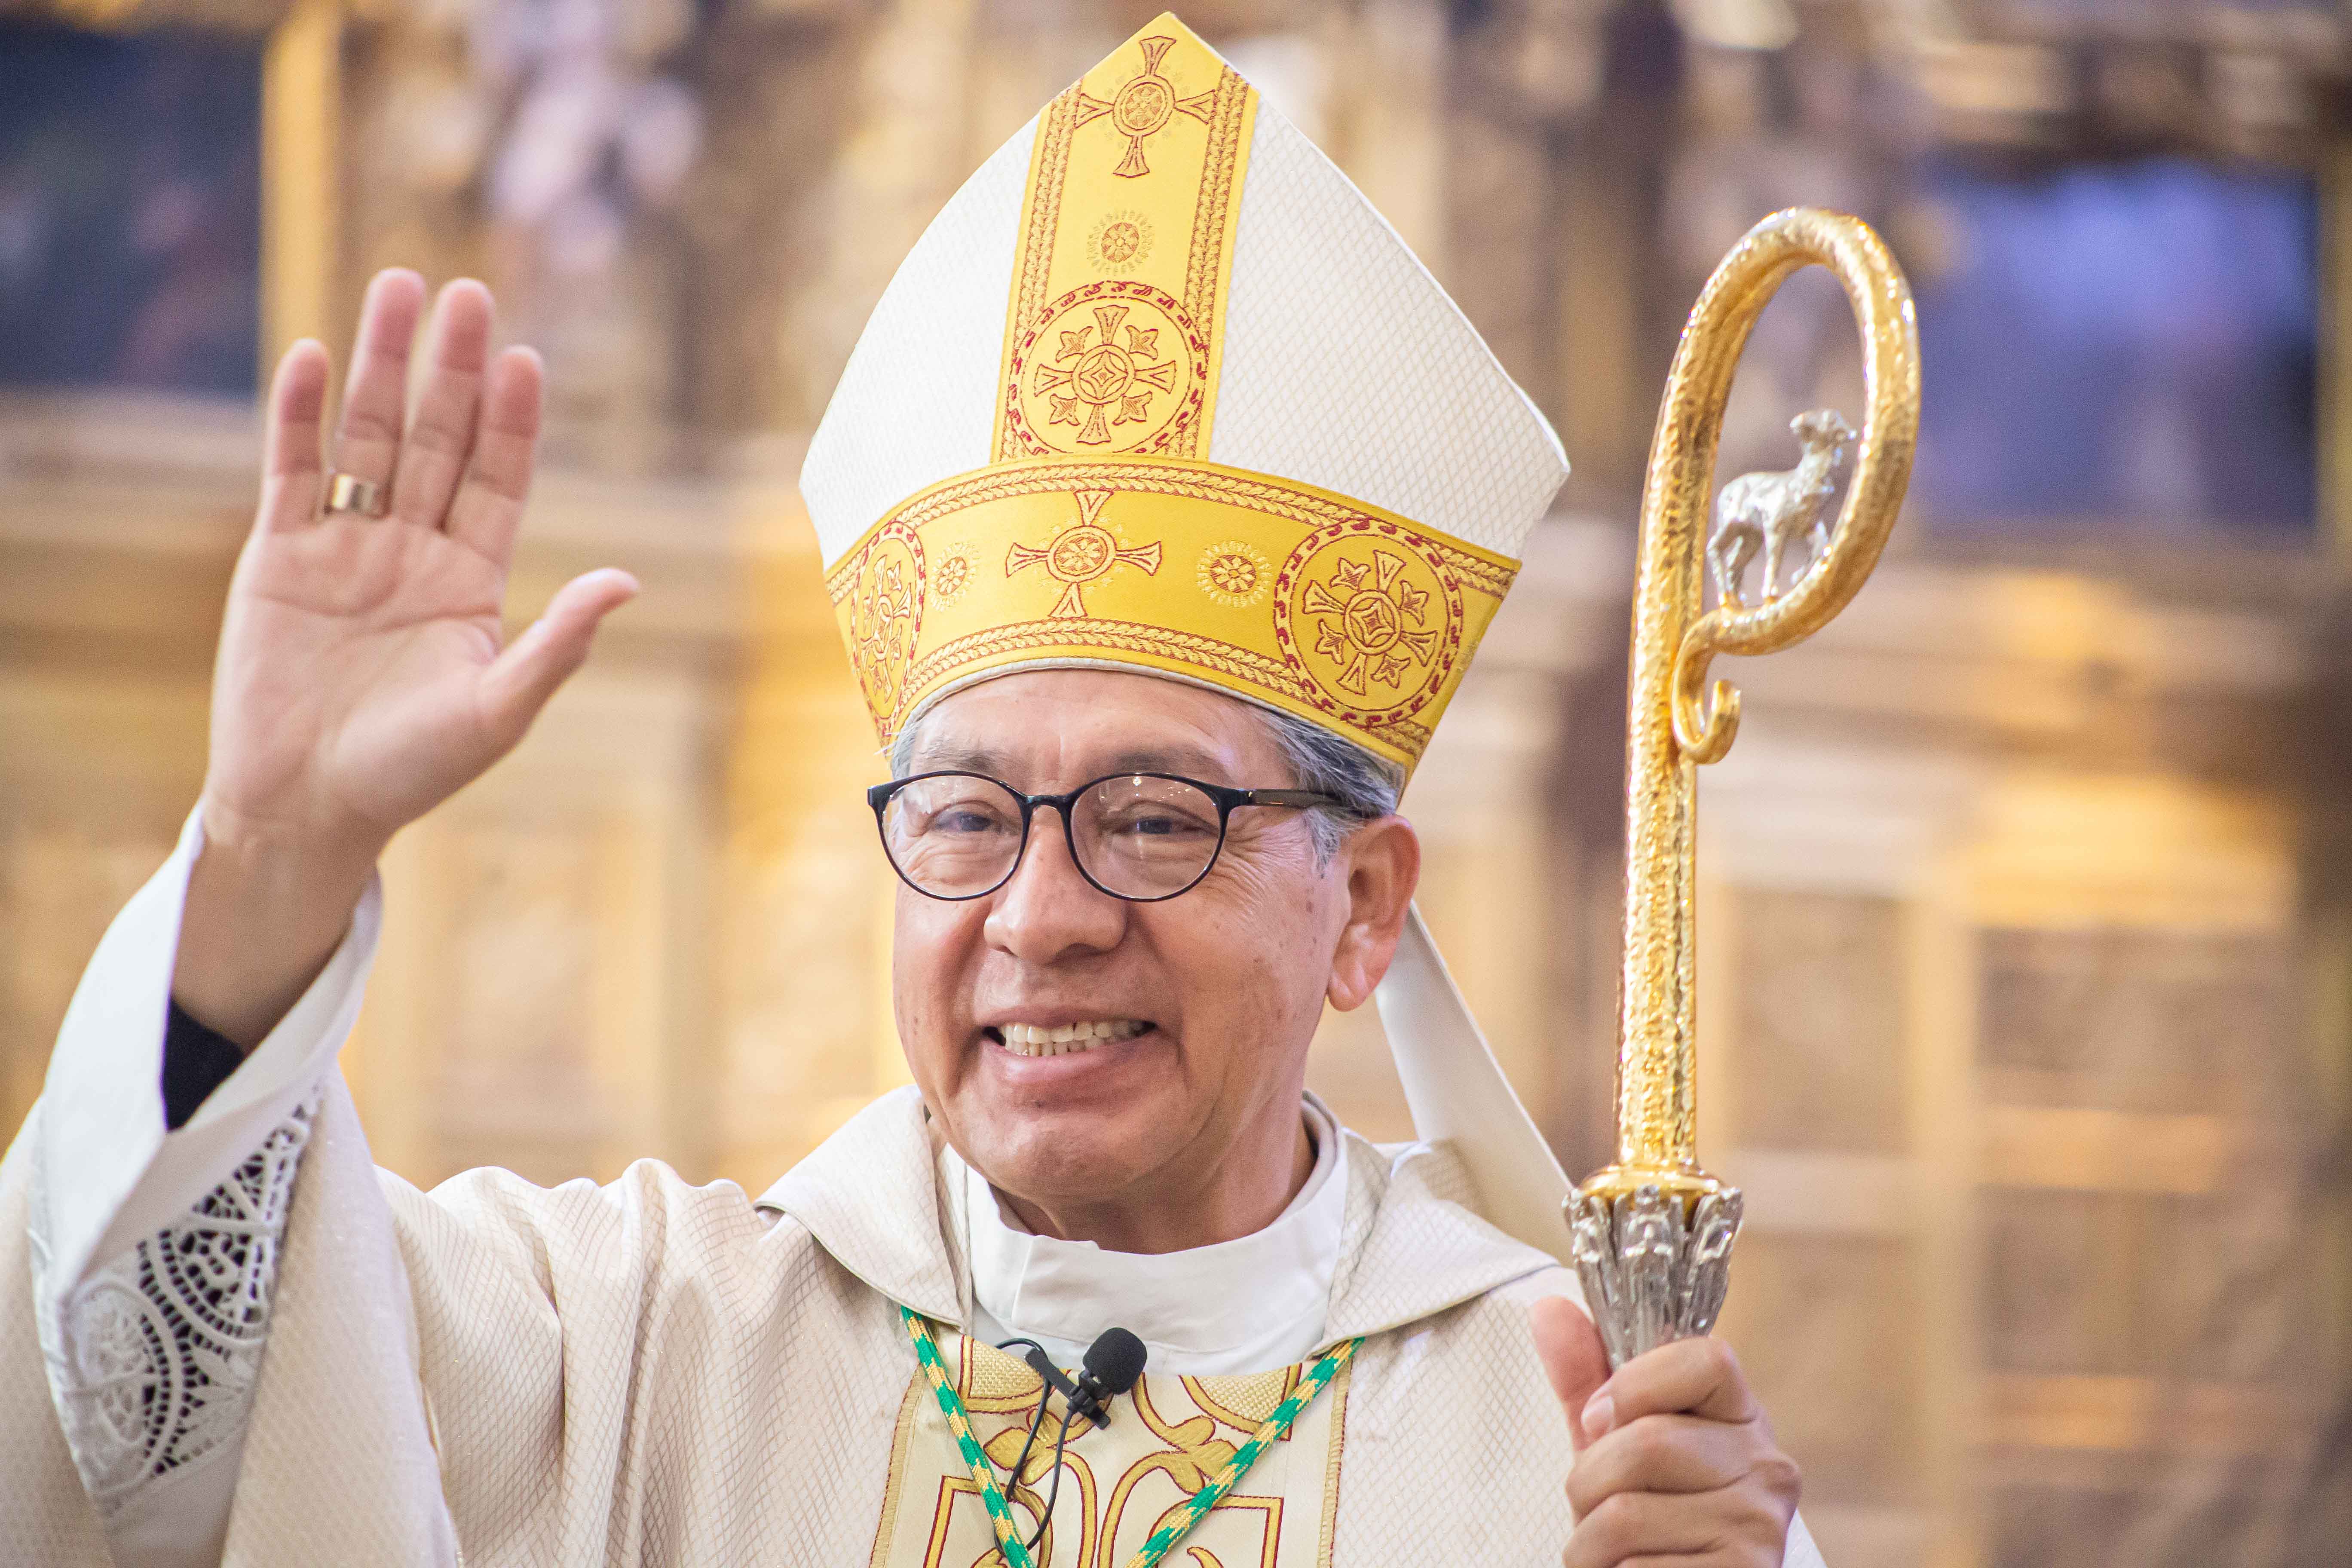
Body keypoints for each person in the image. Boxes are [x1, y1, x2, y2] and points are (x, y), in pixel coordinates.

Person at [3, 15, 1822, 1566]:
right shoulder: (637, 1349)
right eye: (963, 818)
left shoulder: (1568, 1444)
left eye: (1152, 819)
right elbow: (148, 1412)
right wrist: (275, 852)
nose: (1040, 917)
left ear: (1362, 907)